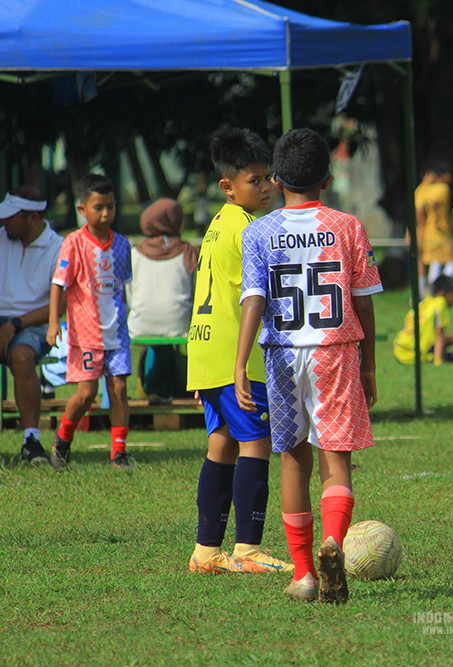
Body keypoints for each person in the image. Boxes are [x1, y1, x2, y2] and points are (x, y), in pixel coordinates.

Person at [235, 128, 382, 604]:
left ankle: (303, 575)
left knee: (293, 461)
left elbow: (253, 299)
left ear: (276, 179)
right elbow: (364, 303)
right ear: (329, 177)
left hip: (280, 355)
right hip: (335, 351)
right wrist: (371, 364)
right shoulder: (347, 226)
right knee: (336, 462)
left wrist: (240, 365)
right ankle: (334, 542)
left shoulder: (257, 231)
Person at [186, 128, 292, 575]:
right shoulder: (249, 228)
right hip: (239, 359)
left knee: (222, 443)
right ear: (227, 186)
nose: (266, 187)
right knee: (257, 443)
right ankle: (248, 549)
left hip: (207, 355)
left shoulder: (216, 225)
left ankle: (206, 551)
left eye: (268, 177)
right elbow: (255, 297)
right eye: (255, 179)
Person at [47, 174, 132, 469]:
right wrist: (53, 323)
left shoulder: (122, 245)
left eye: (111, 206)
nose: (106, 213)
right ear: (82, 209)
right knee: (86, 394)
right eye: (99, 207)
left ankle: (119, 454)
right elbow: (59, 283)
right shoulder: (73, 243)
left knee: (119, 390)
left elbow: (123, 286)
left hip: (118, 334)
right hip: (86, 334)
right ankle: (62, 439)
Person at [0, 187, 64, 464]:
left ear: (31, 217)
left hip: (35, 321)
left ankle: (31, 440)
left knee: (22, 355)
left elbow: (59, 304)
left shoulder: (59, 247)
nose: (4, 222)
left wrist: (14, 324)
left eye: (10, 217)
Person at [128, 198, 198, 404]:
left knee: (158, 343)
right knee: (171, 333)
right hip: (181, 325)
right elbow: (196, 293)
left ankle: (155, 387)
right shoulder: (189, 252)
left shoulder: (134, 254)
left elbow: (131, 296)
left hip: (139, 325)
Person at [393, 274, 453, 365]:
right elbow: (439, 334)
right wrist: (438, 362)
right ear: (442, 293)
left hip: (399, 350)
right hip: (414, 354)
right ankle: (435, 356)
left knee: (451, 339)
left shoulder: (424, 302)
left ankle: (435, 354)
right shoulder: (440, 302)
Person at [414, 160, 453, 291]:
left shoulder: (423, 189)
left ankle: (426, 291)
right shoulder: (443, 189)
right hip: (441, 231)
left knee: (432, 262)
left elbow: (420, 210)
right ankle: (443, 288)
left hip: (427, 230)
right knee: (451, 262)